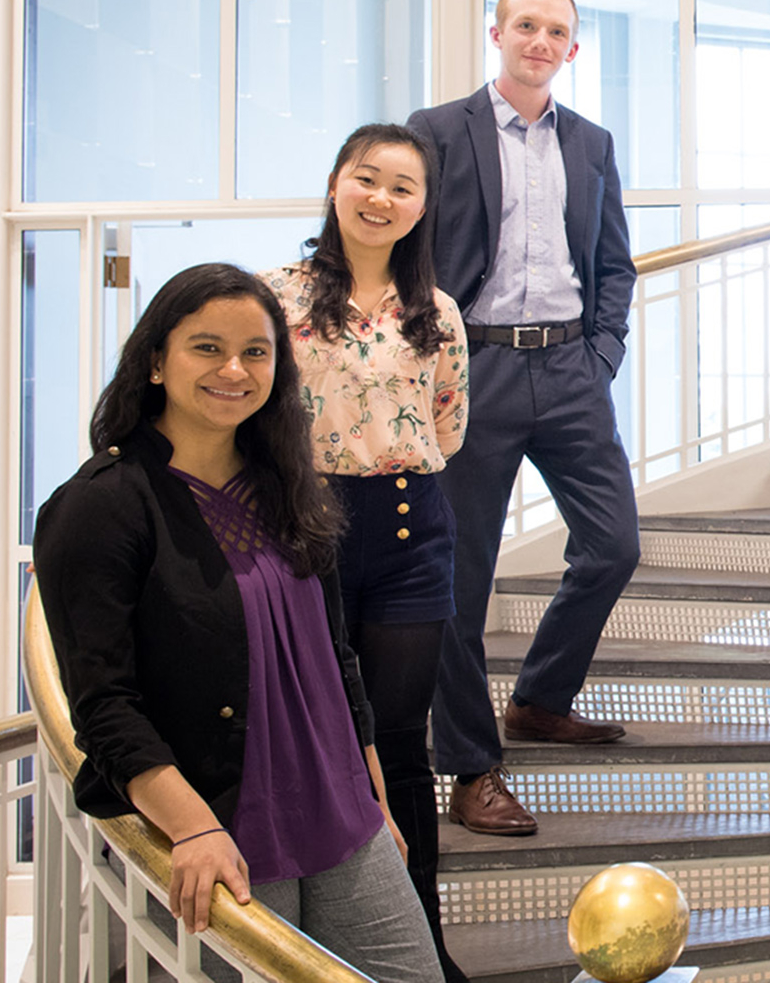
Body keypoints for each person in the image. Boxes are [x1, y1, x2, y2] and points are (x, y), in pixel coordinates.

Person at [33, 264, 443, 983]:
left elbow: (336, 656)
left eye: (256, 351)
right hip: (225, 824)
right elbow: (103, 706)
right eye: (206, 348)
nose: (234, 369)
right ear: (155, 360)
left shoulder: (290, 487)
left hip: (344, 817)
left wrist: (375, 794)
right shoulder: (100, 506)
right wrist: (191, 826)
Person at [408, 0, 640, 838]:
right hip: (474, 369)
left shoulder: (592, 142)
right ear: (497, 33)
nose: (541, 41)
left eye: (557, 31)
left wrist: (602, 353)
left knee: (614, 545)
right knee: (460, 581)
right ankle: (471, 768)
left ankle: (541, 698)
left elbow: (614, 262)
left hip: (571, 368)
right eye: (527, 25)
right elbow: (413, 252)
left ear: (572, 49)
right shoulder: (437, 132)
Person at [260, 123, 469, 982]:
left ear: (423, 206)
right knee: (324, 737)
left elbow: (448, 428)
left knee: (399, 739)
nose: (381, 199)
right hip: (312, 521)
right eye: (367, 179)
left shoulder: (438, 311)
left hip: (413, 526)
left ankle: (423, 943)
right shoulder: (278, 294)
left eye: (402, 187)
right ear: (338, 184)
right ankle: (322, 943)